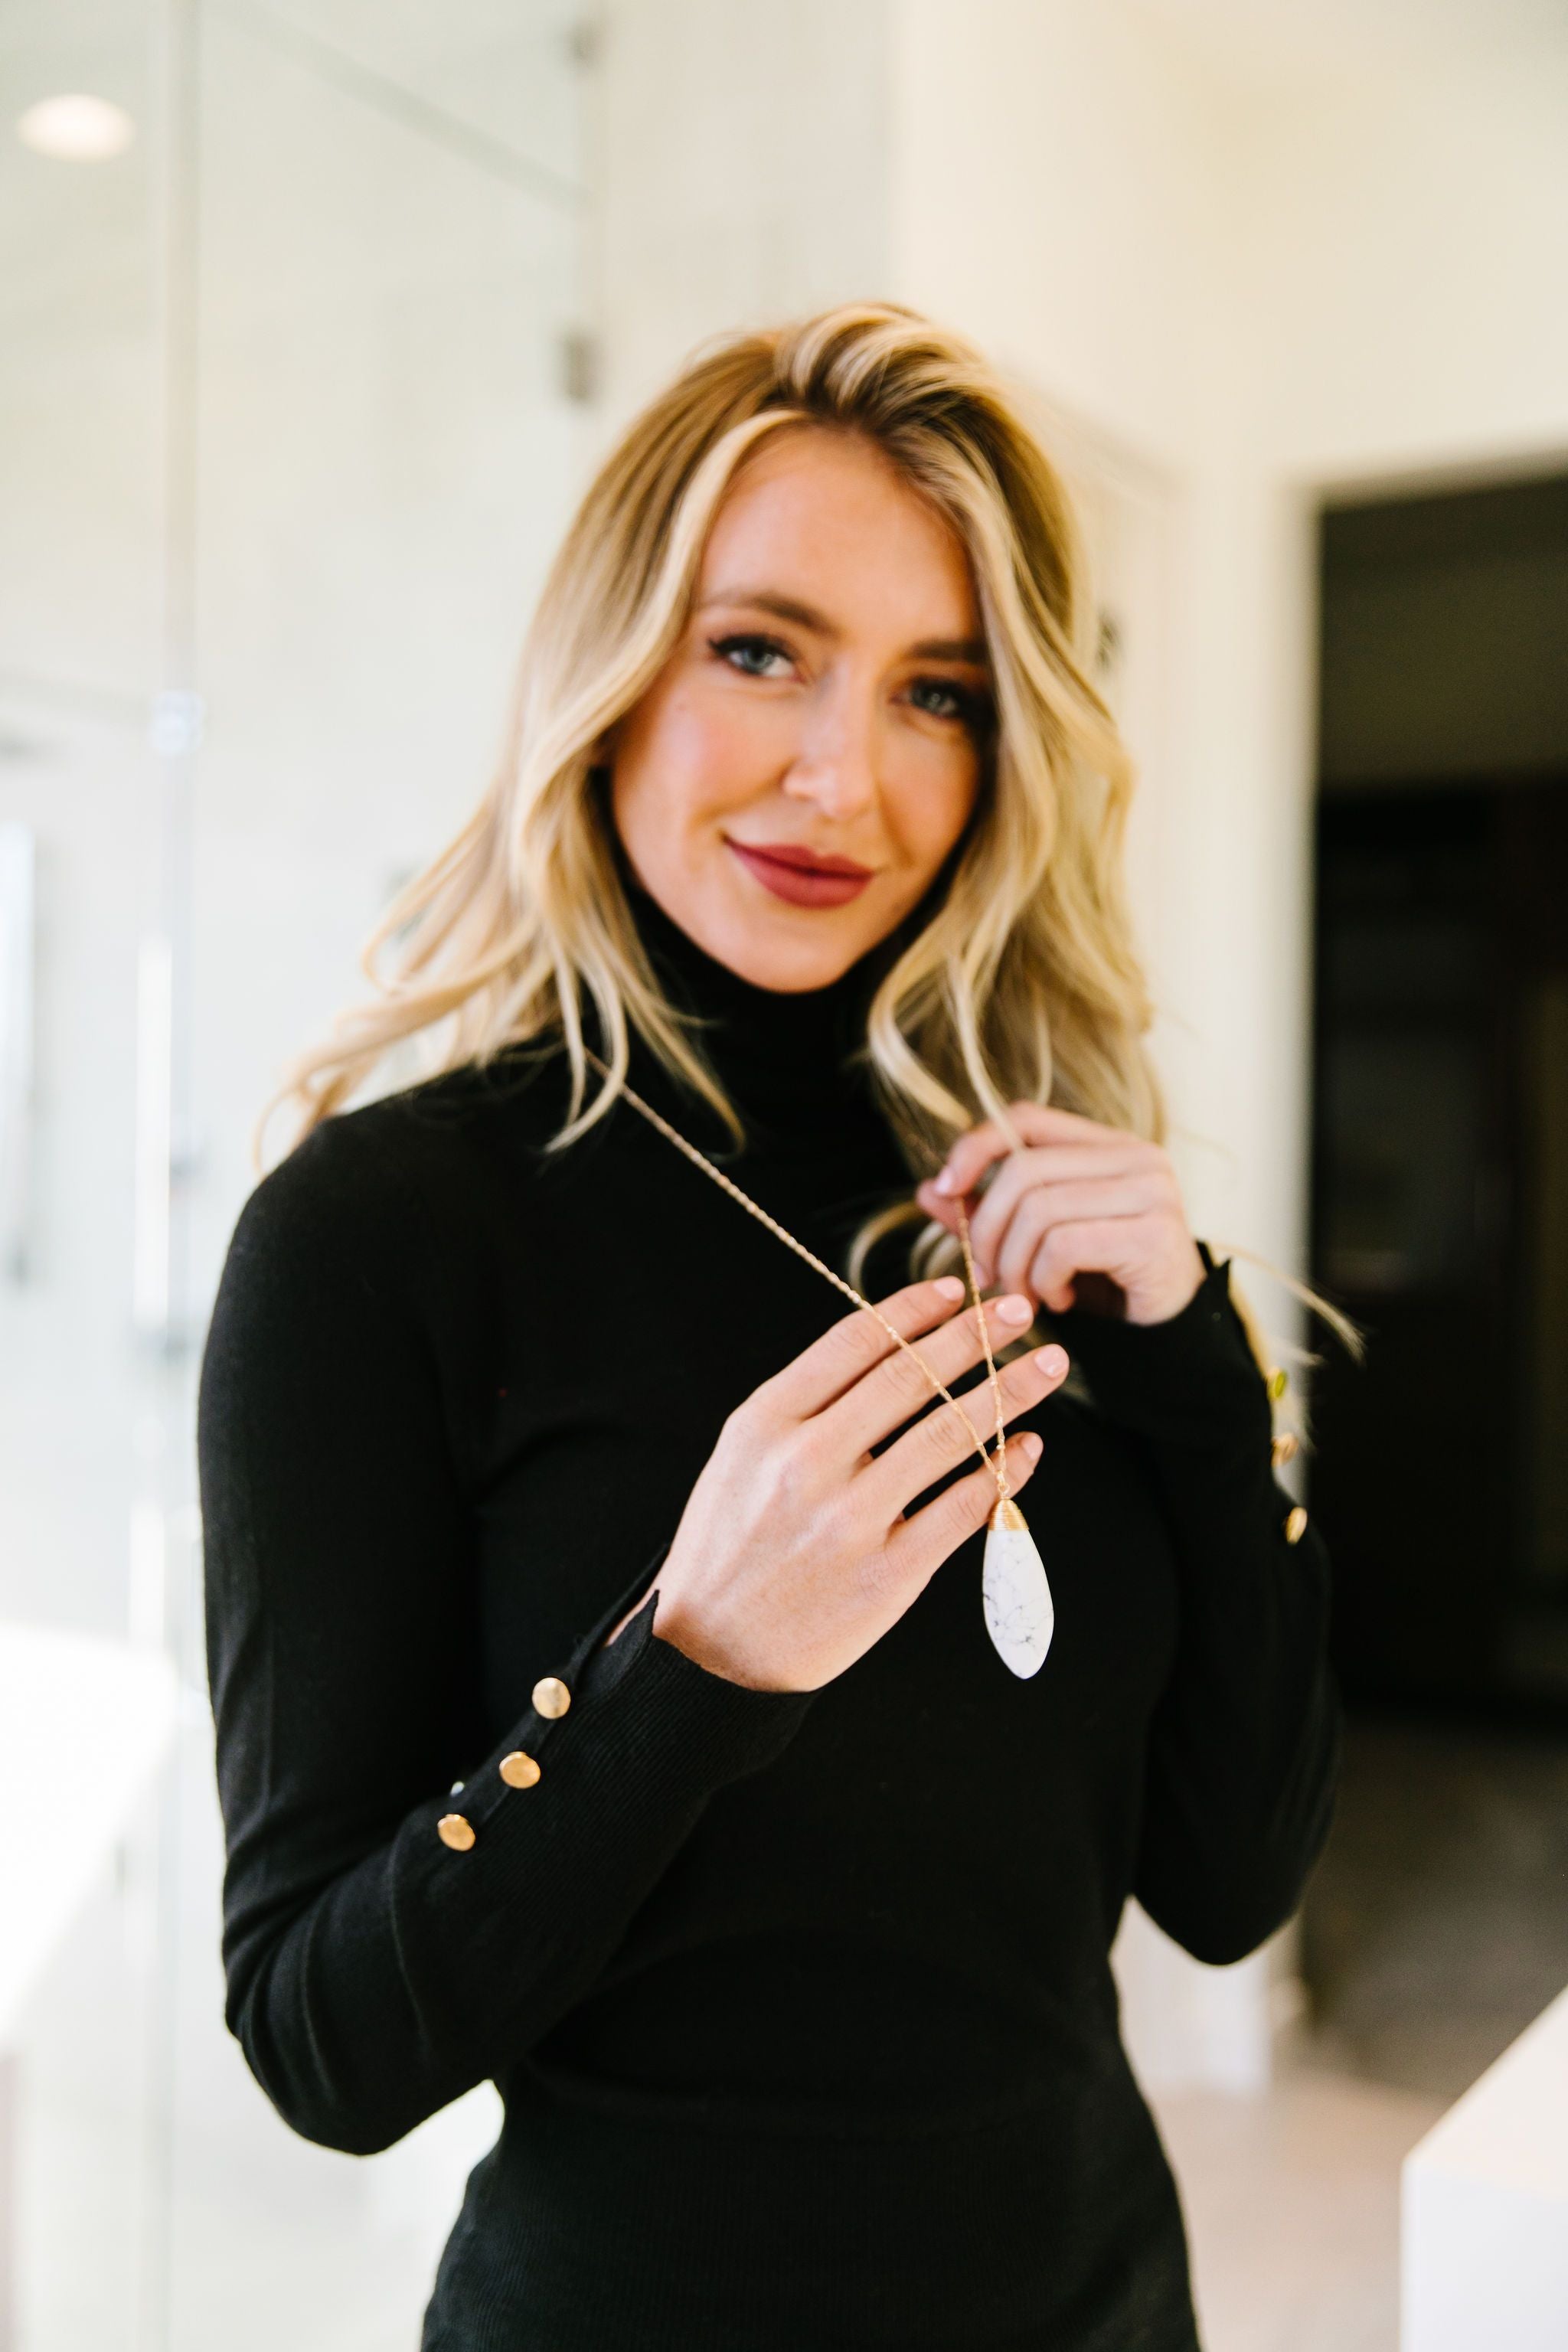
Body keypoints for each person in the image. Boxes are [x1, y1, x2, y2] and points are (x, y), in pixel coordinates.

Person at [198, 302, 1342, 2351]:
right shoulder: (378, 1239)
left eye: (940, 694)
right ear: (613, 666)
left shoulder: (1037, 1211)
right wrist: (694, 1661)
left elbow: (1231, 1883)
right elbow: (322, 2044)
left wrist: (1191, 1358)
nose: (846, 779)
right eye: (761, 652)